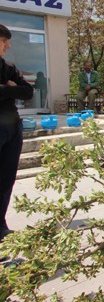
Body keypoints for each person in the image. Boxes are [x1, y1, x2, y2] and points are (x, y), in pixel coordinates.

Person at [0, 24, 33, 242]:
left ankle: (0, 226)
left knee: (5, 180)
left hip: (12, 129)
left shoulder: (8, 67)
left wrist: (6, 88)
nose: (8, 46)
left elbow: (28, 92)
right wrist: (10, 90)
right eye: (4, 41)